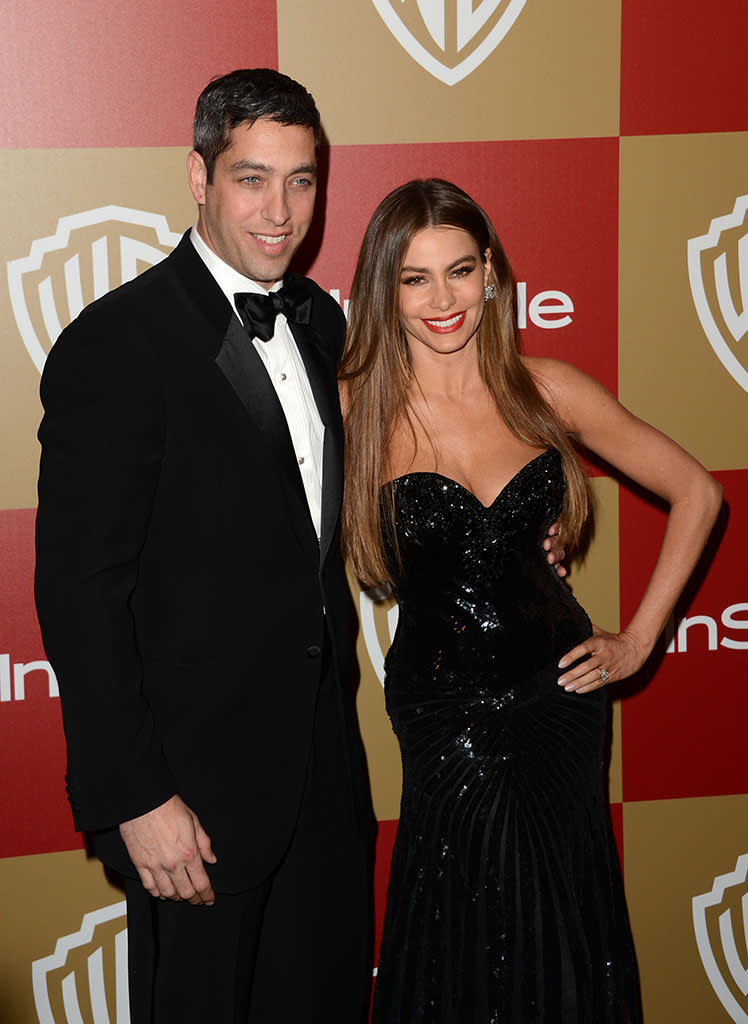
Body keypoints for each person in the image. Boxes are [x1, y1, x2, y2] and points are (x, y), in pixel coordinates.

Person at [339, 178, 723, 1023]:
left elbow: (698, 492)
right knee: (465, 926)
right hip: (445, 716)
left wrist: (640, 641)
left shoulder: (543, 388)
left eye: (461, 271)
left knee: (556, 919)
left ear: (492, 279)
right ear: (383, 291)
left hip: (562, 701)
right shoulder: (354, 410)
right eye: (415, 278)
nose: (443, 299)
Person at [34, 68, 373, 1024]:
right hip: (193, 801)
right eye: (252, 179)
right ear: (198, 174)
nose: (281, 212)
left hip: (321, 779)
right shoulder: (119, 344)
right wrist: (137, 796)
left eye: (302, 181)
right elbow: (79, 591)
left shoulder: (317, 320)